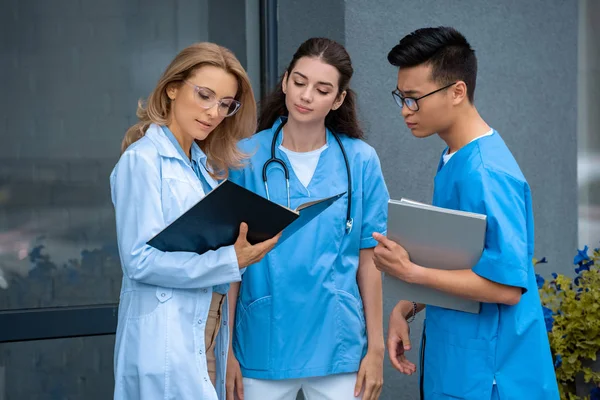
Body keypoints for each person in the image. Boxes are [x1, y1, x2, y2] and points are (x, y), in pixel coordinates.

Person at [373, 27, 560, 400]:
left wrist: (411, 273)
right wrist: (407, 305)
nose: (406, 111)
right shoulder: (455, 158)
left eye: (414, 99)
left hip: (493, 375)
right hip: (463, 362)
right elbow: (460, 260)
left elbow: (507, 287)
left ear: (457, 91)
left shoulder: (487, 173)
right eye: (401, 98)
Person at [110, 42, 280, 400]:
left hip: (207, 331)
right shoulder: (142, 161)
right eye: (204, 95)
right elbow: (139, 260)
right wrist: (229, 260)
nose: (213, 112)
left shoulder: (204, 169)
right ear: (173, 88)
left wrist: (241, 248)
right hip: (167, 338)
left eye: (225, 104)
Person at [226, 37, 389, 400]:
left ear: (339, 99)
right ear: (285, 82)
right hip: (262, 344)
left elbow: (370, 259)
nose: (306, 95)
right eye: (299, 82)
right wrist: (225, 351)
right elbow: (230, 262)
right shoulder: (244, 159)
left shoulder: (360, 161)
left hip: (340, 346)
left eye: (322, 89)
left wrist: (375, 349)